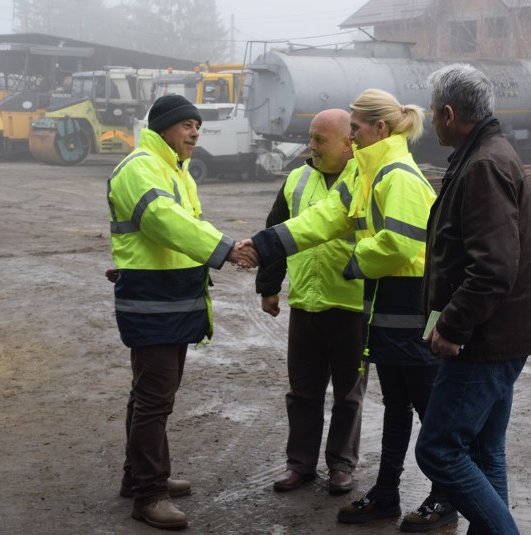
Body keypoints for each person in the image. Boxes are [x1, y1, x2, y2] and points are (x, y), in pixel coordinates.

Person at [247, 89, 456, 532]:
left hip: (411, 306)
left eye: (356, 128)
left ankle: (445, 497)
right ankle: (386, 494)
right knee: (397, 406)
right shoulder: (366, 173)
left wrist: (354, 262)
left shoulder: (398, 175)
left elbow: (400, 243)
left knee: (429, 409)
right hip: (385, 307)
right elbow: (321, 218)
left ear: (379, 128)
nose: (352, 136)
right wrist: (262, 246)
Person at [106, 94, 256, 530]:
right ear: (163, 127)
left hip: (170, 298)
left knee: (151, 395)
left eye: (198, 126)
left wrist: (221, 247)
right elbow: (164, 220)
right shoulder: (140, 167)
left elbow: (189, 224)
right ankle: (149, 494)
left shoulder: (175, 168)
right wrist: (227, 249)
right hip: (152, 300)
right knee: (154, 399)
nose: (195, 133)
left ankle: (137, 476)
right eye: (187, 125)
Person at [414, 64, 531, 534]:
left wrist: (452, 325)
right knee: (485, 450)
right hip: (499, 337)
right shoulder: (483, 155)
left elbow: (492, 268)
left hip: (484, 342)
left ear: (450, 114)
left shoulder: (484, 164)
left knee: (438, 450)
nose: (432, 119)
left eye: (434, 112)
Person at [256, 109, 367, 495]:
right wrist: (269, 286)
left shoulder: (367, 180)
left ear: (348, 143)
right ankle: (300, 465)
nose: (311, 146)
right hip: (305, 303)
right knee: (303, 393)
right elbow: (276, 230)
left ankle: (341, 465)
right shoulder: (296, 179)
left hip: (352, 306)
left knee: (349, 395)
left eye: (320, 139)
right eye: (311, 137)